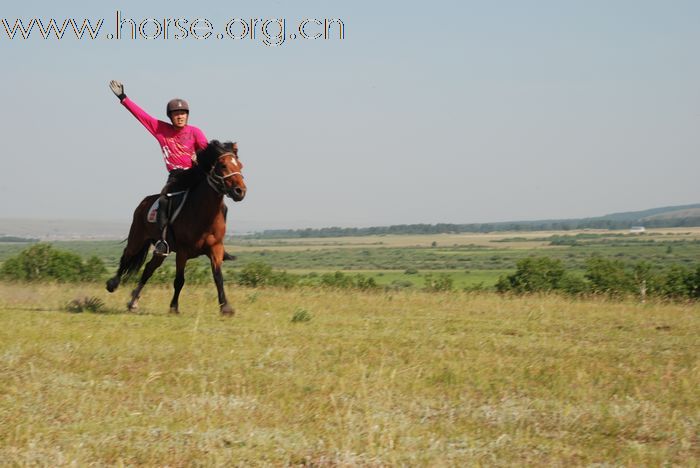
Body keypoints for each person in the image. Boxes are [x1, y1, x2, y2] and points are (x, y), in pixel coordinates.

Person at [109, 80, 208, 256]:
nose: (180, 116)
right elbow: (142, 116)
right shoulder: (160, 129)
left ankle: (215, 237)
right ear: (170, 117)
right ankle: (163, 242)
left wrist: (198, 158)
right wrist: (123, 98)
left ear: (187, 115)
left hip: (194, 175)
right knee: (164, 201)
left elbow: (207, 152)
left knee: (213, 198)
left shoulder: (195, 132)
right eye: (176, 114)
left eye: (183, 113)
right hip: (176, 177)